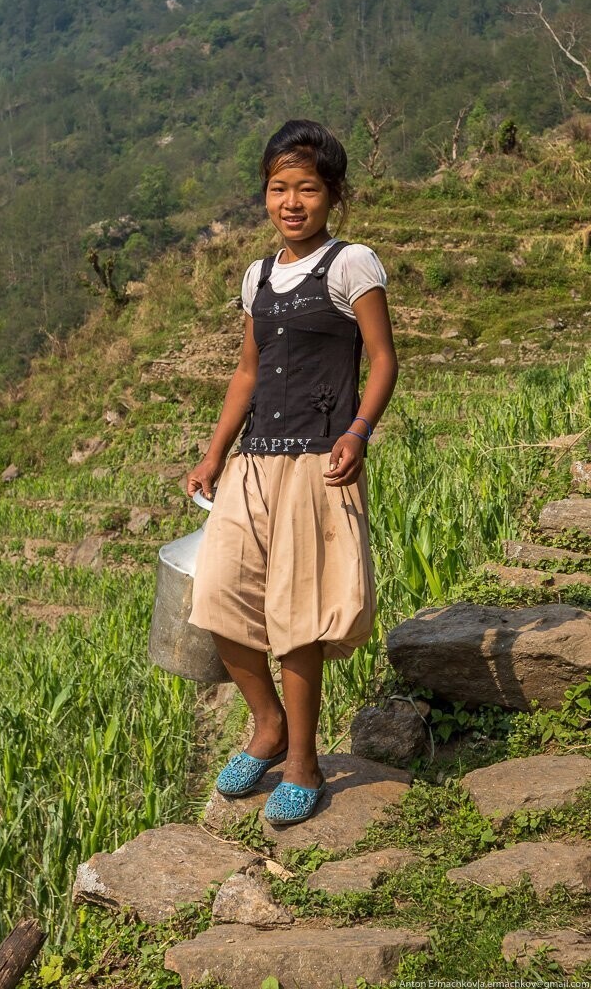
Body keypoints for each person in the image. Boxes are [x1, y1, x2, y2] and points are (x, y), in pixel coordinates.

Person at [186, 119, 398, 827]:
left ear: (333, 193)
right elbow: (247, 371)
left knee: (297, 615)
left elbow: (383, 359)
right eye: (279, 188)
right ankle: (267, 724)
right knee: (215, 595)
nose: (292, 201)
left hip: (316, 462)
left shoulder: (351, 264)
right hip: (253, 461)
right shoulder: (259, 275)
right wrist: (216, 451)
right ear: (265, 195)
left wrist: (358, 433)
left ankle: (303, 760)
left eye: (307, 187)